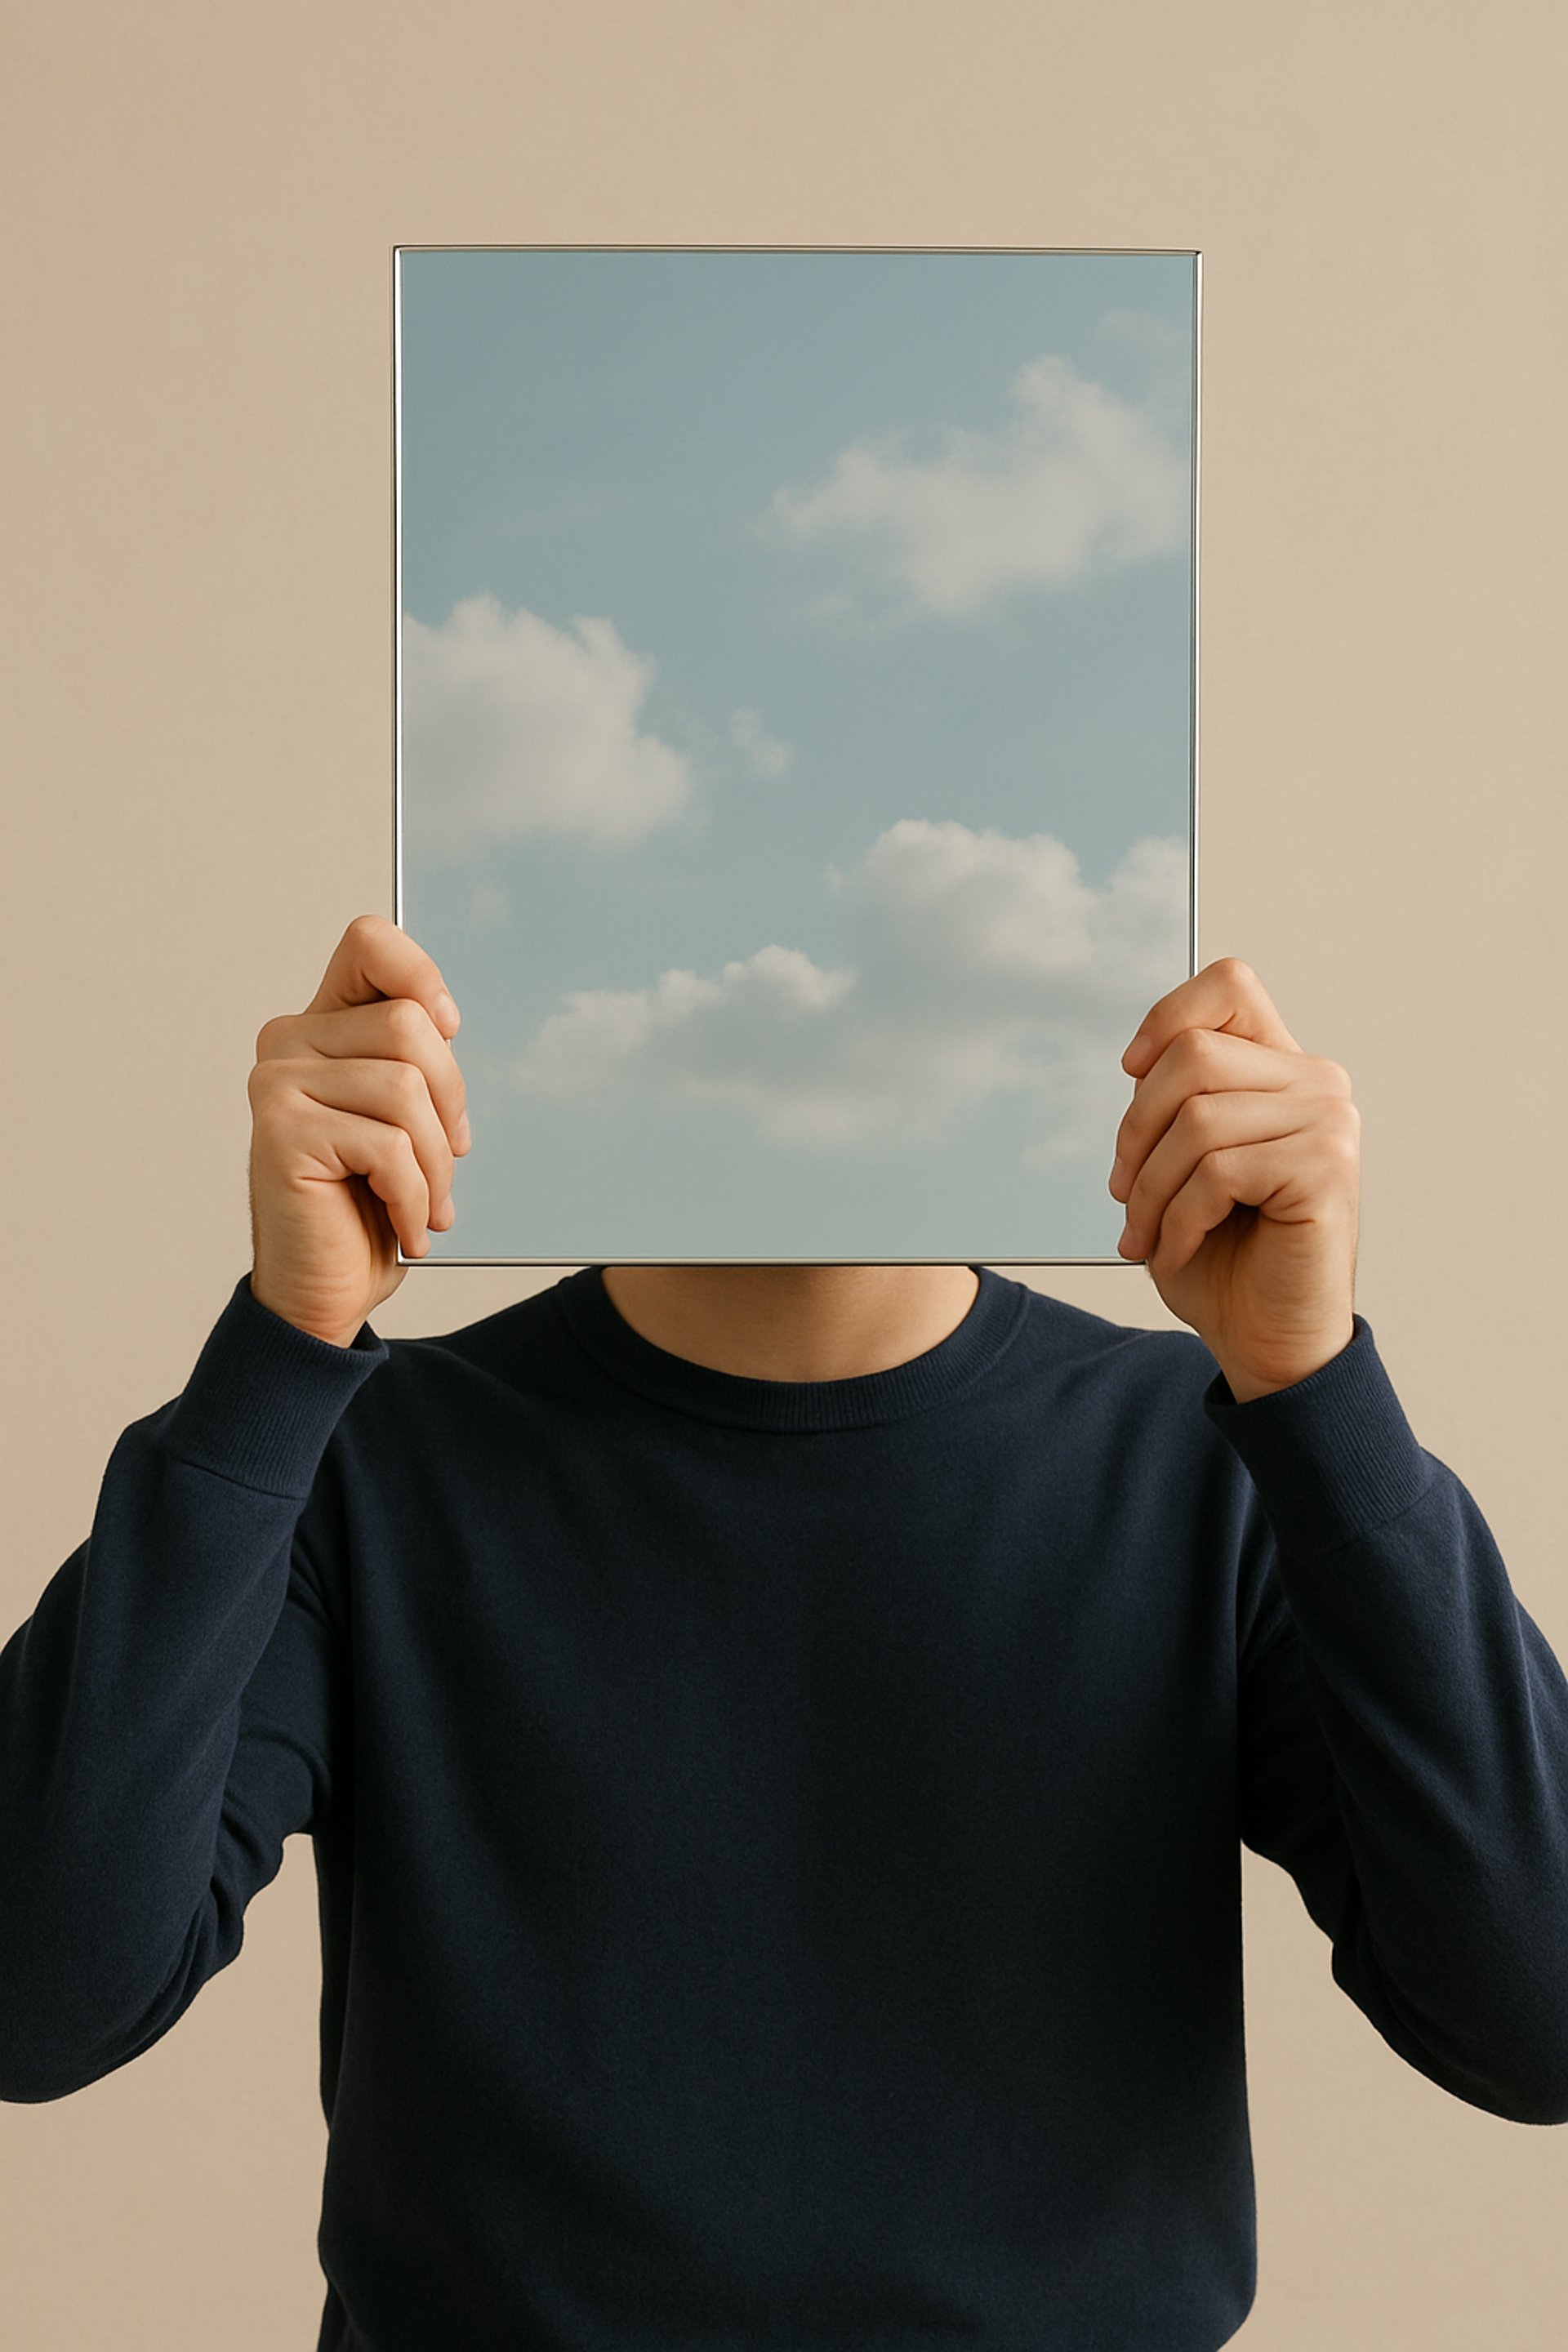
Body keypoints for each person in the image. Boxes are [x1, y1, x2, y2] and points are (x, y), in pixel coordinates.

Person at [2, 911, 1566, 2352]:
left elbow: (1540, 2017)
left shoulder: (1212, 1459)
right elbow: (36, 1993)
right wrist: (281, 1353)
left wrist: (1317, 1393)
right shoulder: (367, 1462)